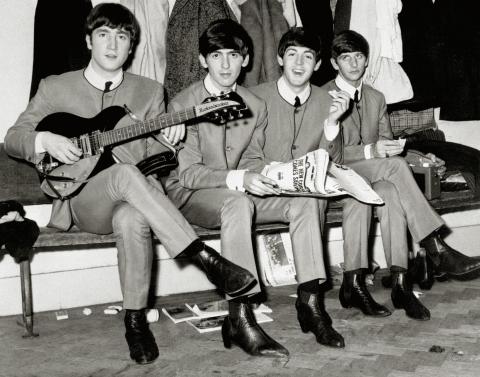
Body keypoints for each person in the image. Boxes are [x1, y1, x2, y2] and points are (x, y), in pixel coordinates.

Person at [4, 3, 256, 365]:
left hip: (127, 200)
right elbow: (15, 138)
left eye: (122, 37)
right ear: (88, 40)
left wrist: (170, 140)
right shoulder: (55, 87)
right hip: (78, 199)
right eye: (103, 35)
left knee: (131, 218)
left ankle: (136, 322)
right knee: (123, 177)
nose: (112, 44)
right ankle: (205, 257)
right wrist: (44, 140)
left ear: (132, 45)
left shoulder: (150, 91)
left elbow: (153, 161)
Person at [165, 19, 344, 358]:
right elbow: (187, 174)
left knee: (305, 201)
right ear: (203, 60)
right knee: (237, 203)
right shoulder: (183, 105)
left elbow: (252, 159)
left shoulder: (254, 103)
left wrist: (275, 175)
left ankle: (311, 303)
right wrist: (239, 180)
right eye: (216, 56)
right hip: (193, 196)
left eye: (234, 55)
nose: (226, 65)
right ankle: (241, 315)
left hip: (239, 194)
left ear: (245, 60)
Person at [325, 30, 480, 317]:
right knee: (394, 168)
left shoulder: (375, 97)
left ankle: (398, 284)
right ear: (335, 63)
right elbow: (325, 153)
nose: (354, 64)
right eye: (346, 58)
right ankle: (435, 247)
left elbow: (389, 147)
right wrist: (372, 153)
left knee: (391, 192)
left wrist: (419, 157)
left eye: (359, 57)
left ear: (366, 60)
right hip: (336, 173)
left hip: (375, 175)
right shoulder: (322, 96)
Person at [250, 27, 393, 321]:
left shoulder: (326, 98)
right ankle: (311, 300)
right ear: (280, 59)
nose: (299, 63)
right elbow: (246, 155)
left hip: (313, 184)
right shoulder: (257, 98)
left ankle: (354, 282)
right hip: (269, 188)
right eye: (292, 55)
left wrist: (331, 124)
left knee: (360, 194)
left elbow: (337, 159)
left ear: (317, 64)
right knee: (309, 201)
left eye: (307, 57)